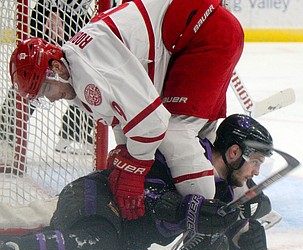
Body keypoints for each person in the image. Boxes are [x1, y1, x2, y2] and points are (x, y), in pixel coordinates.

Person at [9, 0, 243, 221]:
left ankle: (207, 226)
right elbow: (124, 115)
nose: (49, 98)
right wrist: (124, 150)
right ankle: (233, 204)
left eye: (47, 88)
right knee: (198, 139)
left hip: (207, 34)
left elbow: (153, 123)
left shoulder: (89, 70)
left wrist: (134, 166)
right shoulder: (75, 68)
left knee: (176, 134)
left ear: (55, 67)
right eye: (41, 96)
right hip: (195, 37)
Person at [0, 114, 273, 250]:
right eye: (257, 161)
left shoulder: (223, 190)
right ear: (235, 153)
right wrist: (185, 209)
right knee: (98, 244)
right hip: (96, 198)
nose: (257, 171)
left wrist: (247, 240)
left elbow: (228, 227)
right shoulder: (186, 150)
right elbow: (143, 193)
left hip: (122, 234)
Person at [0, 0, 95, 154]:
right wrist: (54, 8)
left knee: (86, 74)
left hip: (79, 16)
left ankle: (74, 133)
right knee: (37, 74)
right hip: (50, 13)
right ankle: (5, 135)